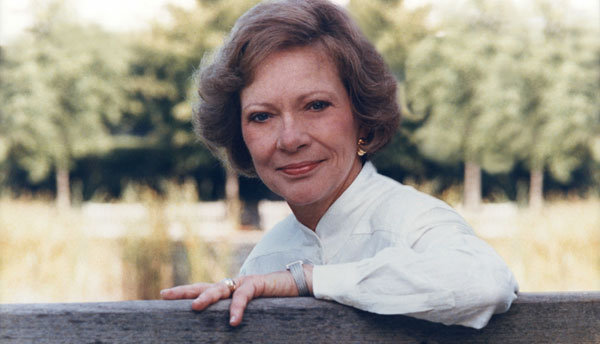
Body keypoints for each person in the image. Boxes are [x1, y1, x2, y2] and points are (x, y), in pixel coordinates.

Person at [160, 0, 518, 329]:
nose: (289, 139)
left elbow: (484, 283)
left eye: (316, 106)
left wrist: (309, 280)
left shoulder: (413, 223)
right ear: (239, 135)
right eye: (262, 116)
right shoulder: (265, 261)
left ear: (361, 116)